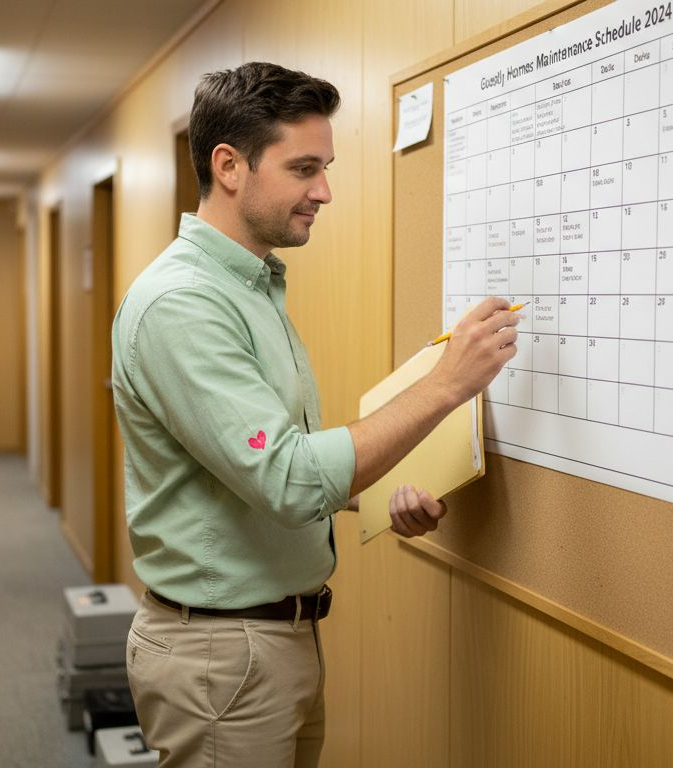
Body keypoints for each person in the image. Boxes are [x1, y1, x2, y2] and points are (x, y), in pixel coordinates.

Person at [110, 61, 518, 767]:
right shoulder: (183, 305)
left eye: (324, 167)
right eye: (304, 169)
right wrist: (446, 386)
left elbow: (249, 468)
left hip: (272, 643)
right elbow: (288, 478)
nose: (323, 192)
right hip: (221, 656)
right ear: (229, 166)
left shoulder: (252, 287)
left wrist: (378, 496)